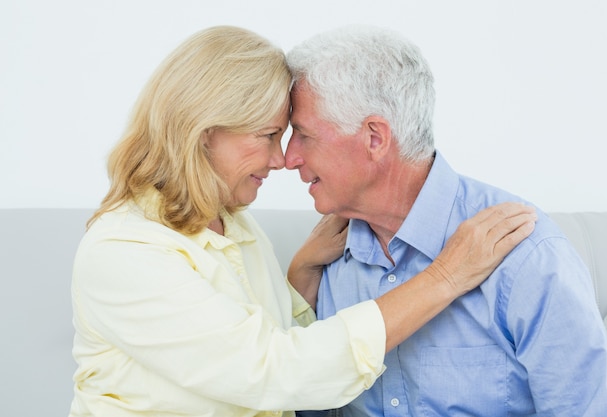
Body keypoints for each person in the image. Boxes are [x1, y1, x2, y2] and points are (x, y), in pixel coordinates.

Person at [68, 26, 536, 417]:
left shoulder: (232, 223)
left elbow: (254, 336)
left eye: (291, 136)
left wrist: (297, 278)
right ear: (204, 133)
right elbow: (275, 371)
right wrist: (445, 277)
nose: (282, 159)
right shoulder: (124, 253)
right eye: (269, 136)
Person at [285, 24, 607, 417]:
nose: (288, 158)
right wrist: (297, 285)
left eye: (303, 135)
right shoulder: (326, 258)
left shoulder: (527, 256)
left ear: (375, 138)